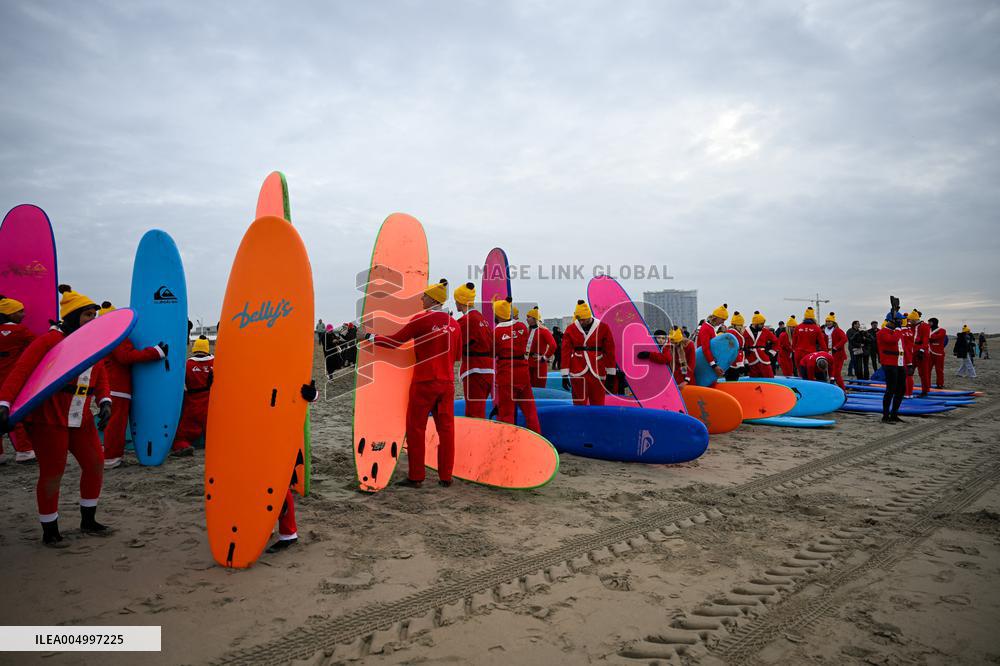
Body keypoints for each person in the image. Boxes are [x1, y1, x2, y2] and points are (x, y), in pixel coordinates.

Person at [0, 285, 113, 547]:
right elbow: (22, 370)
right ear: (72, 316)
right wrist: (5, 403)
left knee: (95, 463)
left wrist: (104, 401)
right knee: (53, 472)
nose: (91, 321)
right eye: (87, 315)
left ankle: (88, 520)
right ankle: (50, 531)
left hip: (80, 415)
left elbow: (101, 373)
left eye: (93, 316)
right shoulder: (49, 341)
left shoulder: (93, 342)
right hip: (48, 417)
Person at [360, 279, 462, 488]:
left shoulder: (421, 320)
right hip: (447, 383)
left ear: (433, 299)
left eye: (424, 295)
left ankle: (416, 476)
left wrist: (368, 336)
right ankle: (446, 477)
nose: (421, 298)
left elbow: (395, 341)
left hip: (425, 382)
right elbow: (458, 356)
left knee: (416, 427)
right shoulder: (455, 325)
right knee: (447, 430)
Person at [98, 303, 168, 469]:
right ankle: (110, 458)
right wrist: (156, 352)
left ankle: (111, 455)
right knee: (116, 425)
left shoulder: (103, 336)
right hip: (117, 388)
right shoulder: (115, 336)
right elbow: (125, 356)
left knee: (113, 424)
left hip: (111, 387)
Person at [492, 297, 541, 433]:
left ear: (497, 314)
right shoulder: (521, 327)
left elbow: (493, 352)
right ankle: (538, 440)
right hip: (523, 372)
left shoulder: (496, 332)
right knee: (530, 410)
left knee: (507, 412)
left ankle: (509, 443)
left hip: (507, 374)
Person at [0, 295, 37, 464]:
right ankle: (24, 451)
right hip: (12, 378)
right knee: (17, 413)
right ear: (9, 313)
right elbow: (37, 345)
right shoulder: (21, 331)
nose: (23, 314)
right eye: (19, 311)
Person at [560, 300, 616, 405]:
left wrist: (611, 374)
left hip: (597, 369)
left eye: (583, 320)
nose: (581, 322)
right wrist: (564, 374)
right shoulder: (571, 329)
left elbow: (610, 350)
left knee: (598, 402)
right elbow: (565, 351)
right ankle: (579, 420)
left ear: (589, 316)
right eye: (579, 320)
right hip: (577, 369)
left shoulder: (603, 327)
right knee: (578, 403)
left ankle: (597, 421)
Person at [453, 282, 492, 419]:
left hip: (475, 371)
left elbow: (452, 344)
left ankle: (478, 439)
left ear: (461, 301)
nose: (455, 303)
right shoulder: (482, 318)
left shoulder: (466, 320)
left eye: (456, 300)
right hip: (487, 370)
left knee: (474, 413)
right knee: (476, 410)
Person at [171, 336, 213, 455]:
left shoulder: (187, 364)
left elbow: (179, 383)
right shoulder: (215, 362)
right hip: (211, 401)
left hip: (194, 402)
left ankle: (182, 446)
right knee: (213, 430)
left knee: (184, 433)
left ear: (194, 349)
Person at [878, 310, 907, 423]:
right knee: (890, 390)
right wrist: (899, 330)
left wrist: (908, 363)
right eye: (898, 321)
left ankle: (894, 414)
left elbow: (903, 348)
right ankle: (885, 416)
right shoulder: (883, 332)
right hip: (889, 364)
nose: (900, 323)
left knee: (901, 390)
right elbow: (892, 340)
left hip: (900, 363)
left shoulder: (897, 332)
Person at [696, 304, 729, 386]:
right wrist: (714, 365)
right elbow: (706, 349)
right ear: (716, 317)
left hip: (708, 362)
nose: (723, 323)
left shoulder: (710, 328)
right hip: (705, 363)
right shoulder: (706, 328)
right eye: (722, 320)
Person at [525, 307, 557, 389]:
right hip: (527, 364)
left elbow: (553, 345)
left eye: (528, 317)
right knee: (527, 389)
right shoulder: (527, 331)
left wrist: (545, 357)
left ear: (534, 319)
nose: (526, 319)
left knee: (539, 389)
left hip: (539, 364)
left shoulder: (544, 331)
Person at [793, 308, 828, 378]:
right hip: (810, 354)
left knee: (801, 374)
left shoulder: (798, 327)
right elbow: (822, 343)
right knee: (810, 374)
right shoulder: (816, 328)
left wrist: (794, 350)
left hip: (798, 353)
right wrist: (825, 352)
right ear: (813, 318)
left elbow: (794, 342)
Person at [745, 311, 778, 378]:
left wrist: (771, 352)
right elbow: (742, 345)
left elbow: (776, 341)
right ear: (755, 323)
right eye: (761, 324)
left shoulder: (765, 331)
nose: (763, 325)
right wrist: (745, 356)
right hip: (751, 359)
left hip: (764, 359)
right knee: (754, 380)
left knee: (769, 377)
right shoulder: (745, 332)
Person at [821, 313, 848, 390]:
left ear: (833, 322)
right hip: (828, 354)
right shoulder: (824, 331)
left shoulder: (838, 330)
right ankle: (832, 388)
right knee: (830, 373)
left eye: (830, 321)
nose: (828, 323)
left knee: (836, 373)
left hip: (838, 355)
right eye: (827, 321)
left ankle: (843, 389)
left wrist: (836, 347)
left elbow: (844, 339)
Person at [909, 310, 932, 397]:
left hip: (921, 351)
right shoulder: (912, 326)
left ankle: (925, 391)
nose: (909, 321)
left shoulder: (925, 326)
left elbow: (926, 340)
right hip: (912, 351)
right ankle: (907, 390)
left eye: (910, 320)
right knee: (909, 371)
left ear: (914, 319)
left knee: (923, 373)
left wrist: (922, 351)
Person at [724, 311, 748, 381]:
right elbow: (734, 350)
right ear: (735, 325)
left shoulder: (734, 333)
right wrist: (740, 364)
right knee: (732, 379)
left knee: (733, 379)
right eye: (740, 325)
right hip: (733, 362)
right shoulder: (733, 334)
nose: (741, 327)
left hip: (734, 362)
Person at [900, 310, 918, 396]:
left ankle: (905, 393)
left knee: (903, 376)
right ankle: (909, 393)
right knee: (909, 375)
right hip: (910, 354)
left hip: (902, 356)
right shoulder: (910, 332)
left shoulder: (900, 332)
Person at [927, 318, 947, 388]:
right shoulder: (928, 330)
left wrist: (928, 337)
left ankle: (940, 384)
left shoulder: (942, 330)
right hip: (929, 353)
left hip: (939, 354)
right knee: (927, 370)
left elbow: (936, 337)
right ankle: (927, 384)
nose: (928, 324)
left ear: (933, 322)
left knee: (939, 370)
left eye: (929, 322)